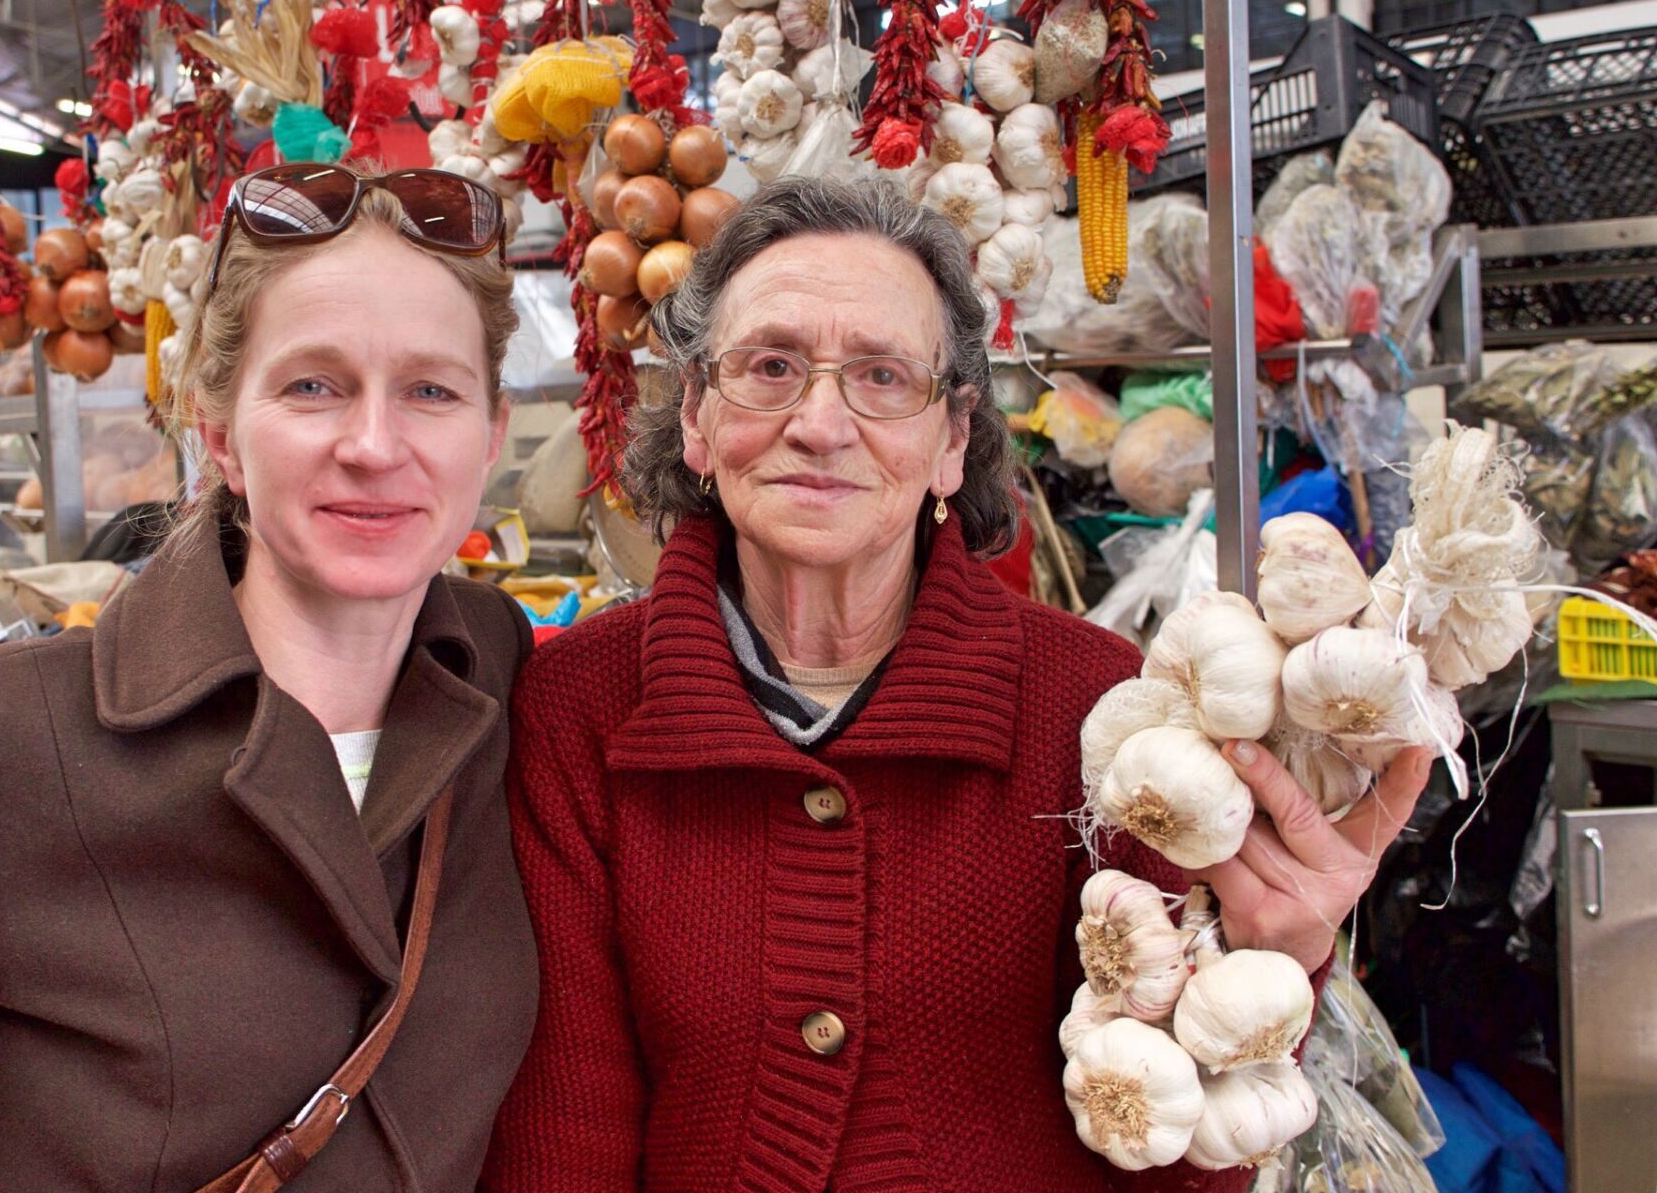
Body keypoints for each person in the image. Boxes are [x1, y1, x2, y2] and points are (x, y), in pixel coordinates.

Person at [484, 178, 1432, 1192]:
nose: (821, 421)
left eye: (884, 377)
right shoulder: (577, 708)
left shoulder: (1106, 712)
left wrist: (1271, 966)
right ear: (701, 424)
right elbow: (564, 1139)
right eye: (770, 367)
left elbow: (1168, 1145)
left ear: (951, 439)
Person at [0, 163, 540, 1191]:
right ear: (218, 434)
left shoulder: (500, 676)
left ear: (492, 437)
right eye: (312, 386)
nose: (375, 445)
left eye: (431, 390)